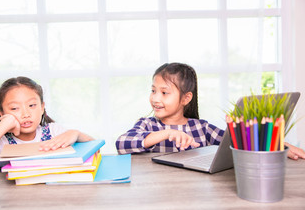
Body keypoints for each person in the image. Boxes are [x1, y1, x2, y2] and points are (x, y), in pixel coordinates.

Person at [116, 62, 305, 160]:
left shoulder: (201, 128)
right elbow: (122, 143)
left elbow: (239, 141)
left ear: (186, 98)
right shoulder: (148, 124)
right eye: (153, 90)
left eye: (164, 92)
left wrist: (280, 145)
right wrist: (166, 133)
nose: (156, 98)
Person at [0, 76, 94, 170]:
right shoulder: (3, 143)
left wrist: (75, 133)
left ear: (42, 107)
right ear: (2, 113)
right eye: (14, 108)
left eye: (32, 105)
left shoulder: (53, 131)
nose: (25, 114)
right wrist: (5, 124)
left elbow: (95, 148)